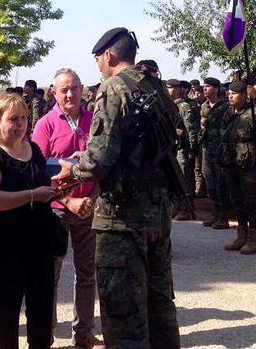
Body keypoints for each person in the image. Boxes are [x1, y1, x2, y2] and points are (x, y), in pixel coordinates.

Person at [53, 28, 180, 348]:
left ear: (108, 56)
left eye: (97, 59)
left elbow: (98, 161)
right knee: (159, 302)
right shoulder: (154, 84)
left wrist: (74, 168)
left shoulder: (113, 88)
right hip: (158, 209)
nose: (97, 65)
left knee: (122, 309)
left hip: (122, 217)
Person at [0, 93, 58, 349]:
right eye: (13, 119)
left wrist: (65, 189)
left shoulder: (33, 149)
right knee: (5, 317)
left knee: (41, 315)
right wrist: (33, 195)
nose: (20, 124)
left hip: (39, 245)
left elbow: (45, 186)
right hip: (3, 248)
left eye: (24, 118)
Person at [32, 68, 104, 349]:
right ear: (54, 93)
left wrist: (92, 199)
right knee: (50, 273)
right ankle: (44, 333)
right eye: (64, 90)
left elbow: (101, 163)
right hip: (57, 210)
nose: (70, 94)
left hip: (88, 208)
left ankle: (83, 331)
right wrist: (68, 200)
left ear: (82, 88)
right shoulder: (45, 125)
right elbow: (39, 169)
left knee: (87, 274)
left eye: (74, 87)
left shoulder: (94, 121)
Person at [219, 82, 256, 255]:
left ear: (244, 95)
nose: (230, 96)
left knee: (252, 201)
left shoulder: (253, 112)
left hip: (249, 164)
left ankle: (253, 239)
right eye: (229, 93)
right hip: (231, 162)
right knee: (237, 200)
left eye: (234, 93)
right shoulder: (228, 113)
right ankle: (241, 236)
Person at [200, 77, 230, 229]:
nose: (205, 89)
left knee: (221, 184)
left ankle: (223, 217)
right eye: (204, 86)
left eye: (208, 86)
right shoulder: (204, 106)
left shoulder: (225, 106)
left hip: (219, 150)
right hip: (207, 148)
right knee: (210, 182)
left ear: (217, 89)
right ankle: (215, 215)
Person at [166, 79, 197, 220]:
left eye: (171, 88)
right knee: (174, 180)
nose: (168, 90)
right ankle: (177, 206)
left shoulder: (183, 106)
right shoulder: (168, 105)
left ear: (178, 90)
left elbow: (190, 129)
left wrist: (191, 148)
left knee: (184, 179)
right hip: (172, 148)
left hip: (182, 149)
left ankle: (187, 209)